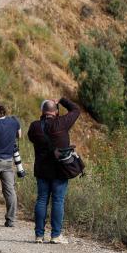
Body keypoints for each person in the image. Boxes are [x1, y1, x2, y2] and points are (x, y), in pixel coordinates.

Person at [27, 97, 81, 244]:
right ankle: (56, 236)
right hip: (60, 169)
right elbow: (76, 109)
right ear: (56, 112)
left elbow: (32, 138)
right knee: (58, 200)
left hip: (42, 169)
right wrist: (62, 100)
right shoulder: (62, 123)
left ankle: (39, 236)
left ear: (42, 111)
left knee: (41, 199)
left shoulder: (34, 127)